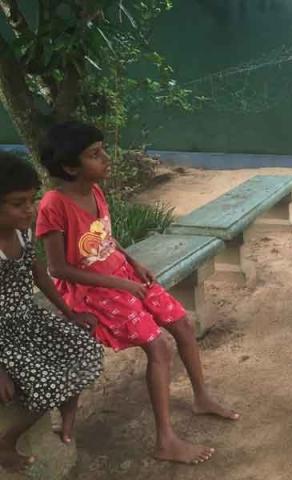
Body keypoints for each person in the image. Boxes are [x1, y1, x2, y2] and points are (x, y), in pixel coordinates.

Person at [35, 122, 239, 465]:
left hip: (121, 275)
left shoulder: (94, 191)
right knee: (158, 346)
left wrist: (133, 262)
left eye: (102, 150)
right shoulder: (53, 205)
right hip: (89, 290)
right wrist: (122, 285)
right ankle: (165, 440)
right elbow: (58, 269)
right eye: (95, 154)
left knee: (182, 324)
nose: (106, 158)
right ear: (70, 167)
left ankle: (201, 397)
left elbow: (105, 238)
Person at [0, 152, 103, 472]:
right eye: (18, 203)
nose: (29, 209)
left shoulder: (22, 232)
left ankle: (68, 411)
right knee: (47, 382)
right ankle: (5, 443)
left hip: (28, 320)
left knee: (85, 347)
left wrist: (69, 313)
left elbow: (40, 275)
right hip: (3, 338)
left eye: (32, 200)